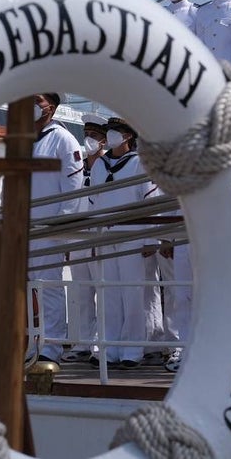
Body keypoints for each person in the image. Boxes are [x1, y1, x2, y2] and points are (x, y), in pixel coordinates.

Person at [88, 117, 157, 368]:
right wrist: (93, 237)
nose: (111, 135)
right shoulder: (100, 165)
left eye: (116, 131)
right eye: (110, 132)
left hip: (132, 235)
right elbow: (93, 202)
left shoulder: (140, 163)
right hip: (105, 235)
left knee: (132, 293)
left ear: (128, 136)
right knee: (108, 294)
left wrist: (149, 239)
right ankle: (109, 348)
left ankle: (132, 350)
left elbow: (149, 202)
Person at [29, 92, 85, 363]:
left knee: (49, 287)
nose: (31, 104)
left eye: (37, 99)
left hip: (49, 228)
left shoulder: (63, 139)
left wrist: (61, 226)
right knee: (27, 289)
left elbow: (73, 187)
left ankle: (52, 345)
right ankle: (31, 341)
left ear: (50, 106)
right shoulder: (24, 140)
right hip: (24, 226)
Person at [62, 112, 108, 363]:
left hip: (99, 238)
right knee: (80, 293)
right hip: (78, 238)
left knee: (103, 293)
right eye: (87, 135)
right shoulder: (78, 168)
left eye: (94, 136)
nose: (89, 140)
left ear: (104, 141)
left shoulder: (109, 167)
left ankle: (100, 344)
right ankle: (82, 342)